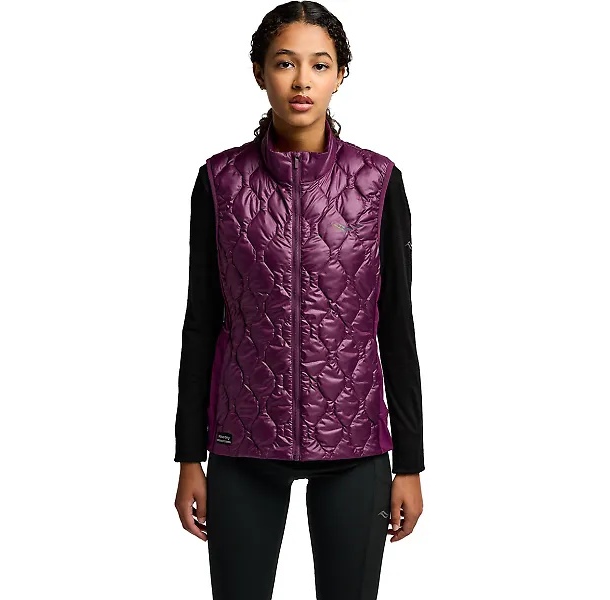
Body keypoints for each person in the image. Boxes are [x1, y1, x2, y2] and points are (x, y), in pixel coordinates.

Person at [173, 2, 424, 599]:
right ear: (259, 72)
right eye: (285, 63)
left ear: (341, 74)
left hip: (356, 444)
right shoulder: (220, 181)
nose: (302, 80)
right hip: (243, 439)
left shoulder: (377, 181)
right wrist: (188, 455)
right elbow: (201, 320)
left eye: (320, 64)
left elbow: (396, 323)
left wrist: (411, 463)